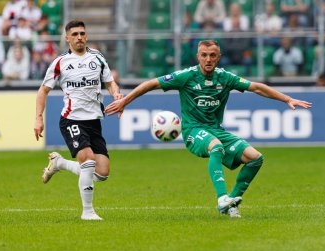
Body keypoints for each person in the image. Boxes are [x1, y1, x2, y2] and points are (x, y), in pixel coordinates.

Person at [105, 40, 312, 218]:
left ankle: (231, 203)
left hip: (216, 129)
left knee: (255, 158)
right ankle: (222, 198)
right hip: (193, 131)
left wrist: (287, 99)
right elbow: (151, 84)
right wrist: (125, 101)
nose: (208, 59)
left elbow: (256, 87)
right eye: (204, 55)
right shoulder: (186, 76)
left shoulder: (225, 78)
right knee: (216, 147)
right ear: (198, 56)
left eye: (212, 55)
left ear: (219, 57)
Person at [34, 20, 123, 220]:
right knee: (88, 161)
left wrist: (117, 95)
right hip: (71, 120)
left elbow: (110, 83)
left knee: (102, 172)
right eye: (74, 34)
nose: (79, 37)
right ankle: (88, 212)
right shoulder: (60, 62)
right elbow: (43, 91)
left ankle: (59, 163)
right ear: (67, 38)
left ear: (87, 35)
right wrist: (38, 118)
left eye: (82, 33)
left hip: (93, 121)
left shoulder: (97, 58)